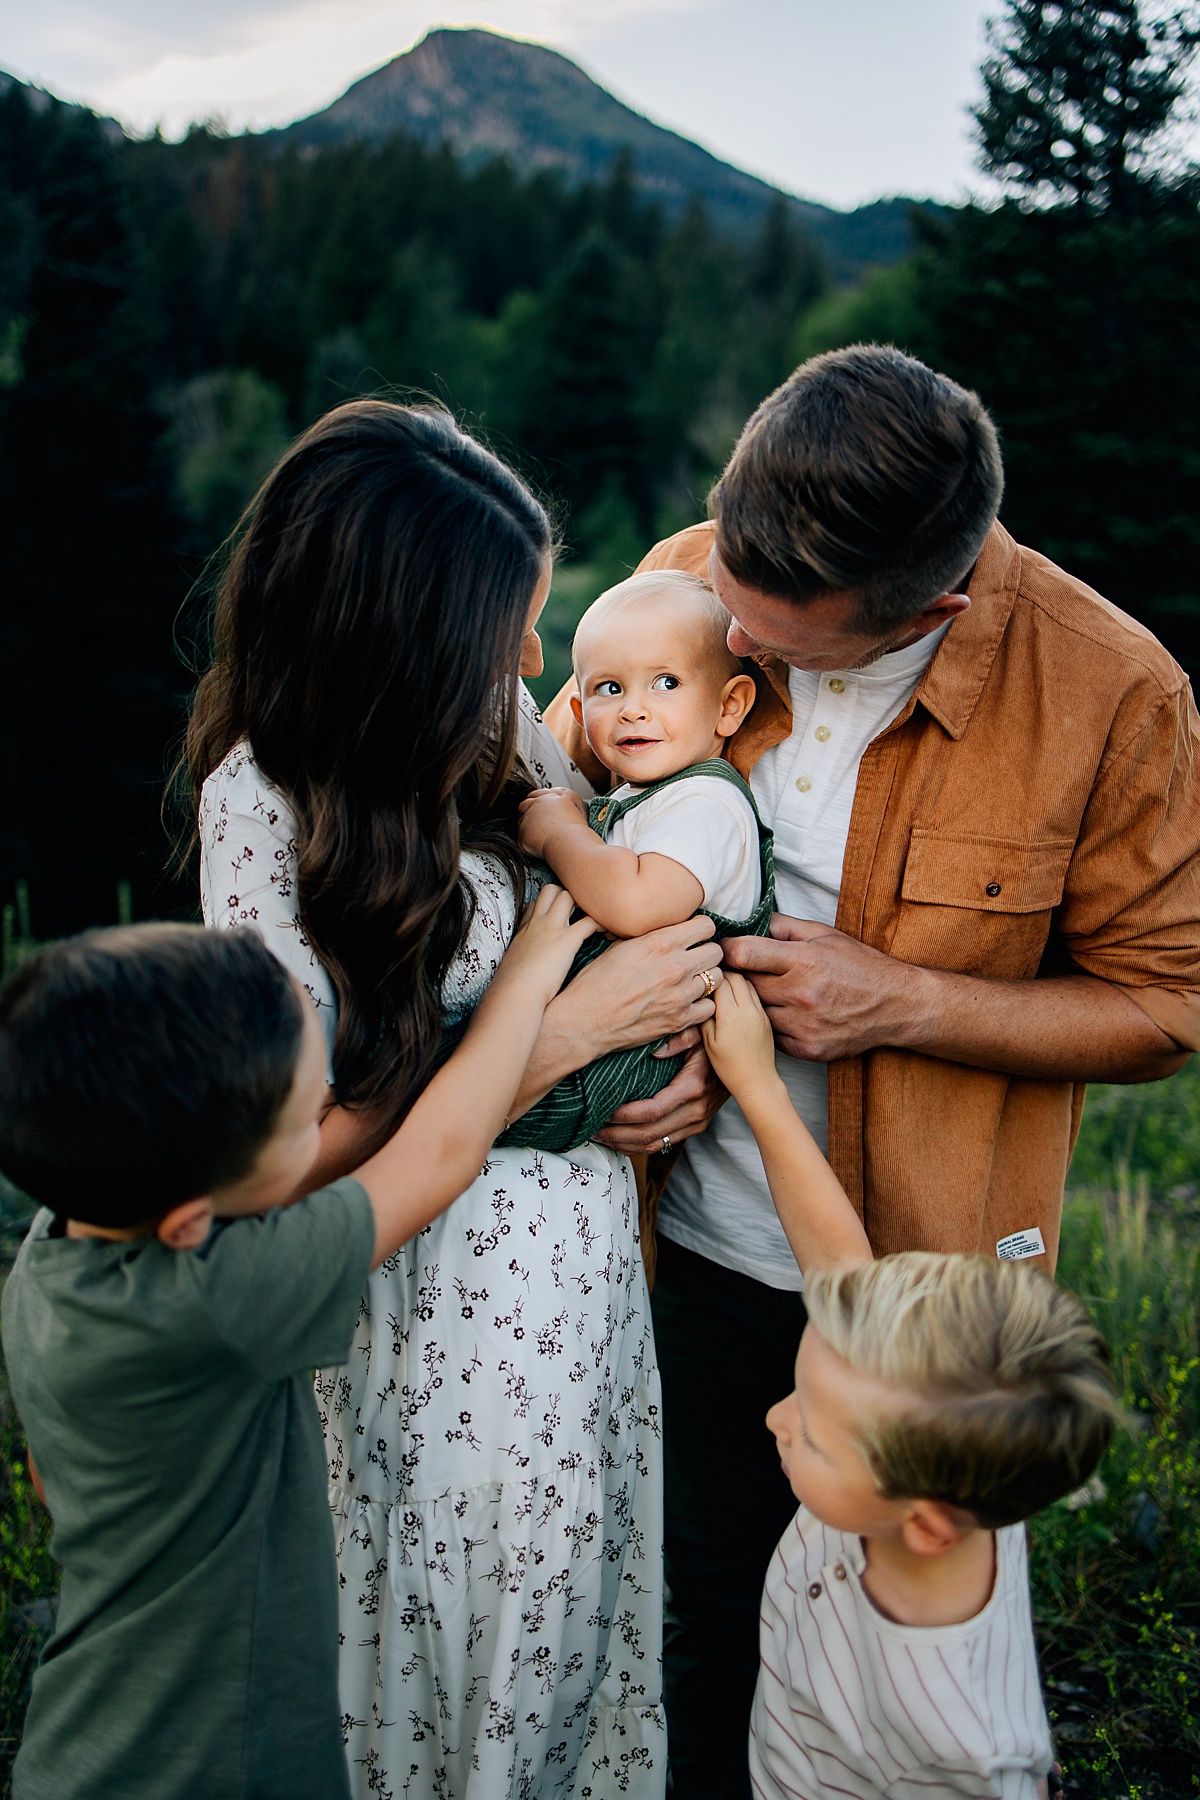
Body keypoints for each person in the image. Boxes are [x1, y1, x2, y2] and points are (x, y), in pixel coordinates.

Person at [543, 344, 1200, 1798]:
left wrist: (902, 999)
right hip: (690, 1240)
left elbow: (1166, 1004)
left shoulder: (1112, 690)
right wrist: (643, 1045)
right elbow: (593, 805)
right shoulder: (691, 578)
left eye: (790, 645)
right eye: (737, 625)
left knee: (892, 1687)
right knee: (695, 1620)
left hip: (918, 1297)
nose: (744, 651)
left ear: (936, 605)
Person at [191, 401, 721, 1799]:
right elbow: (293, 1155)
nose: (532, 670)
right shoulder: (264, 800)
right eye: (508, 631)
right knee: (439, 1702)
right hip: (413, 1330)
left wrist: (647, 1067)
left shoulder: (501, 735)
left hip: (576, 1309)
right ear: (396, 636)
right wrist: (552, 1048)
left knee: (560, 1681)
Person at [0, 902, 593, 1800]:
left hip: (84, 1745)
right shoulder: (216, 1292)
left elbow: (52, 1480)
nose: (327, 1114)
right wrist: (526, 980)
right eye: (305, 1121)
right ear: (191, 1221)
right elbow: (438, 1155)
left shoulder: (53, 1252)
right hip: (222, 1759)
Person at [700, 972, 1113, 1800]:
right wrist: (755, 1083)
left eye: (813, 1432)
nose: (777, 1417)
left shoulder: (963, 1746)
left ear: (925, 1526)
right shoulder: (946, 1467)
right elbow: (838, 1264)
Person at [509, 570, 771, 1153]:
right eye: (609, 689)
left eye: (666, 682)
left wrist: (560, 834)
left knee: (443, 1106)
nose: (633, 709)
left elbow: (635, 903)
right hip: (601, 1038)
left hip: (625, 1066)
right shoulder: (642, 795)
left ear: (729, 707)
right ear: (577, 710)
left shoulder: (707, 801)